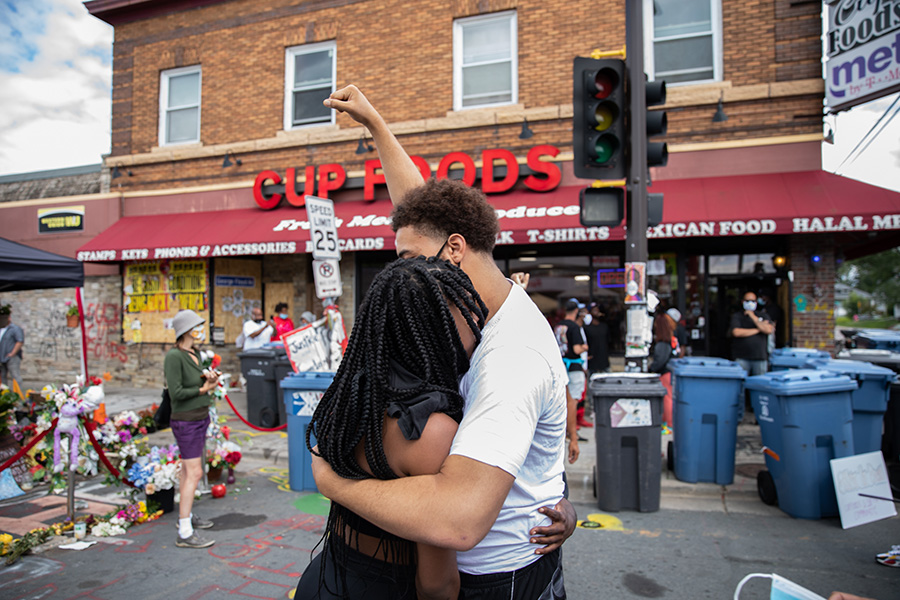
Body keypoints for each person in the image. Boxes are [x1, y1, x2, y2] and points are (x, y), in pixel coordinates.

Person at [311, 84, 574, 599]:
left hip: (498, 580)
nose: (401, 270)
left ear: (454, 250)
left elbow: (458, 523)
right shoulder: (463, 303)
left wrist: (333, 483)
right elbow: (420, 212)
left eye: (408, 257)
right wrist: (376, 126)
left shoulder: (511, 357)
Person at [296, 256, 488, 599]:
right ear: (433, 324)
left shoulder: (351, 392)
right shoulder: (431, 431)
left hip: (325, 577)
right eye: (464, 309)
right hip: (381, 589)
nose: (477, 317)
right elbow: (436, 584)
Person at [164, 309, 218, 549]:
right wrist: (204, 390)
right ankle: (184, 531)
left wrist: (211, 380)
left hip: (200, 417)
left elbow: (198, 382)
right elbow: (176, 393)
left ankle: (185, 516)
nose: (200, 329)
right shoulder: (174, 357)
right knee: (195, 472)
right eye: (196, 326)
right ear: (186, 330)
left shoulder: (195, 353)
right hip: (185, 421)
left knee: (189, 471)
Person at [555, 298, 591, 428]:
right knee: (573, 401)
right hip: (574, 366)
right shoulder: (574, 327)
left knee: (563, 400)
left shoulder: (558, 326)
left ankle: (564, 430)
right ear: (576, 310)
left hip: (561, 365)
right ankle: (572, 430)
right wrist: (585, 347)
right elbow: (577, 349)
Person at [650, 307, 683, 427]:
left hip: (666, 373)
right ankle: (669, 423)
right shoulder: (672, 338)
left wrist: (651, 369)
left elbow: (660, 360)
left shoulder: (663, 343)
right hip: (672, 371)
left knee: (667, 398)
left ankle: (668, 424)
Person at [729, 291, 774, 376]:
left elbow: (768, 330)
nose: (750, 303)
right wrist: (758, 329)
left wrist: (752, 316)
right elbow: (736, 332)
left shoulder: (763, 315)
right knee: (741, 383)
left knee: (759, 383)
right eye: (747, 301)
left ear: (756, 302)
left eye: (753, 301)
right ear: (742, 302)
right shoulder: (737, 316)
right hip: (741, 356)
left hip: (760, 357)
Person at [0, 307, 24, 394]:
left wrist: (12, 353)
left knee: (15, 377)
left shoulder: (15, 329)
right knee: (2, 378)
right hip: (1, 357)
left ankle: (19, 398)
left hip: (12, 357)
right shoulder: (1, 329)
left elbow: (20, 341)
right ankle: (4, 397)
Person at [583, 302, 610, 375]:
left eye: (597, 310)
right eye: (594, 310)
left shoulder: (604, 326)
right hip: (592, 363)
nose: (596, 311)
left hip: (604, 361)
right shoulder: (586, 328)